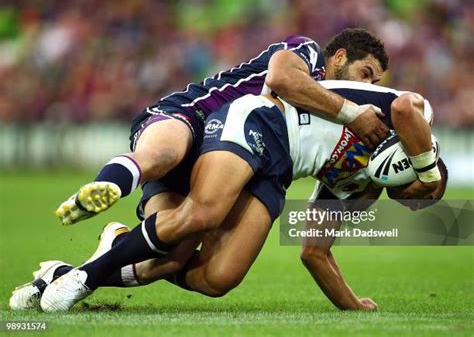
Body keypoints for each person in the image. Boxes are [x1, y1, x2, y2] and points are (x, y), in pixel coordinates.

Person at [36, 80, 446, 312]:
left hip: (279, 171)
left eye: (420, 202)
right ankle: (85, 280)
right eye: (429, 189)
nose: (420, 196)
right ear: (429, 158)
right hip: (264, 119)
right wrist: (428, 171)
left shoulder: (364, 189)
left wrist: (353, 305)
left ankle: (91, 259)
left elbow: (314, 251)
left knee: (218, 278)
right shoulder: (412, 119)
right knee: (202, 216)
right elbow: (408, 107)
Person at [54, 28, 389, 227]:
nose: (370, 85)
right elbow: (281, 79)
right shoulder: (308, 53)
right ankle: (102, 188)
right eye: (366, 73)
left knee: (166, 244)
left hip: (218, 157)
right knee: (164, 154)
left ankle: (58, 278)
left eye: (376, 81)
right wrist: (349, 113)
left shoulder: (326, 118)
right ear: (341, 56)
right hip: (193, 114)